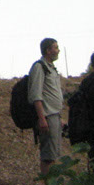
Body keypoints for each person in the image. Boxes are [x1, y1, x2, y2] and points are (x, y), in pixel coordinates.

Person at [28, 37, 63, 176]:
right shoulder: (39, 67)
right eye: (55, 47)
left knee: (54, 153)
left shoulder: (52, 68)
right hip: (47, 116)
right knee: (48, 156)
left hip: (54, 116)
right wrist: (42, 118)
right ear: (48, 50)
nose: (58, 50)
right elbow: (36, 95)